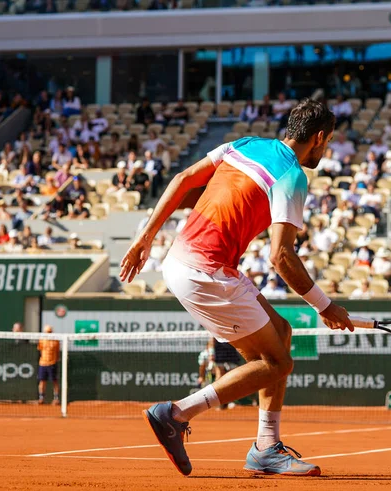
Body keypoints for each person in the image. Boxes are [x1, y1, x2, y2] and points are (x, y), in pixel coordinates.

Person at [119, 99, 359, 477]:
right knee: (277, 363)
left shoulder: (245, 144)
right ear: (319, 138)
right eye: (326, 143)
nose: (325, 149)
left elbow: (182, 180)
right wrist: (325, 305)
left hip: (184, 261)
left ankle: (266, 447)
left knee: (281, 331)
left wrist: (145, 238)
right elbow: (281, 256)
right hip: (205, 272)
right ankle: (176, 413)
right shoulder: (292, 177)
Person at [37, 325, 60, 405]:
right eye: (47, 332)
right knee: (42, 381)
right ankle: (41, 398)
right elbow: (40, 350)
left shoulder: (56, 340)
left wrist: (54, 360)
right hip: (43, 363)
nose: (48, 333)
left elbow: (57, 352)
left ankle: (56, 398)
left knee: (54, 381)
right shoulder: (42, 340)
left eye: (49, 332)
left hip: (52, 363)